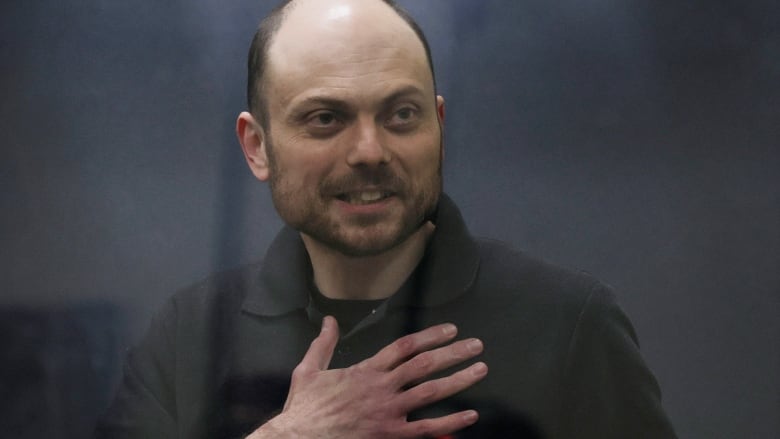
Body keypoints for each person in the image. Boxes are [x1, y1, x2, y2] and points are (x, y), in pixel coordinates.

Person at [96, 0, 677, 437]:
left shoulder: (567, 322)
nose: (371, 151)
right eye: (326, 118)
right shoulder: (188, 335)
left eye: (401, 114)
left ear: (439, 128)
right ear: (257, 148)